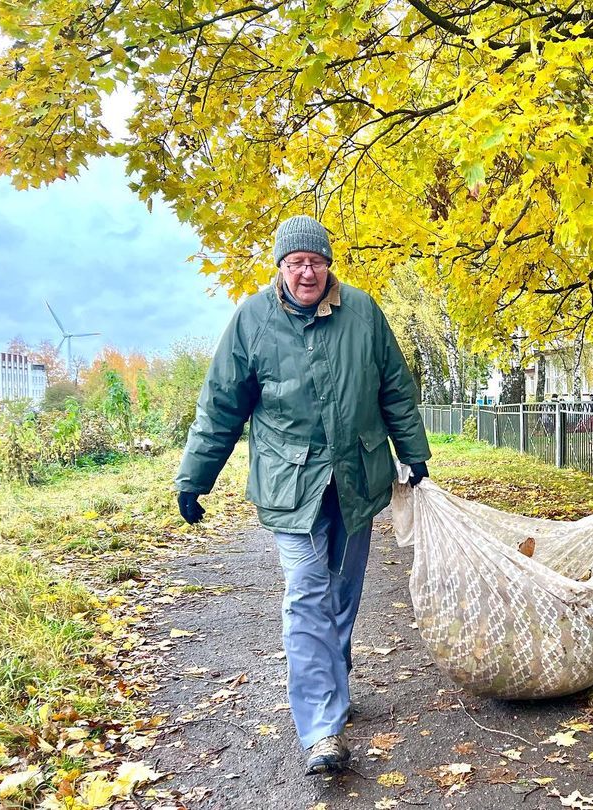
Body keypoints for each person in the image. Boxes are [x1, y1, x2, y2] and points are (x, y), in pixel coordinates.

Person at [174, 215, 432, 774]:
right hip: (292, 485)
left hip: (357, 479)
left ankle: (331, 690)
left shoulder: (363, 313)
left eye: (314, 260)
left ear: (327, 263)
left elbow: (395, 389)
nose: (305, 271)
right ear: (280, 268)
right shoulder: (252, 321)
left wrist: (415, 454)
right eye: (295, 262)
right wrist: (195, 478)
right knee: (307, 596)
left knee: (342, 596)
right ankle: (321, 730)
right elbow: (221, 405)